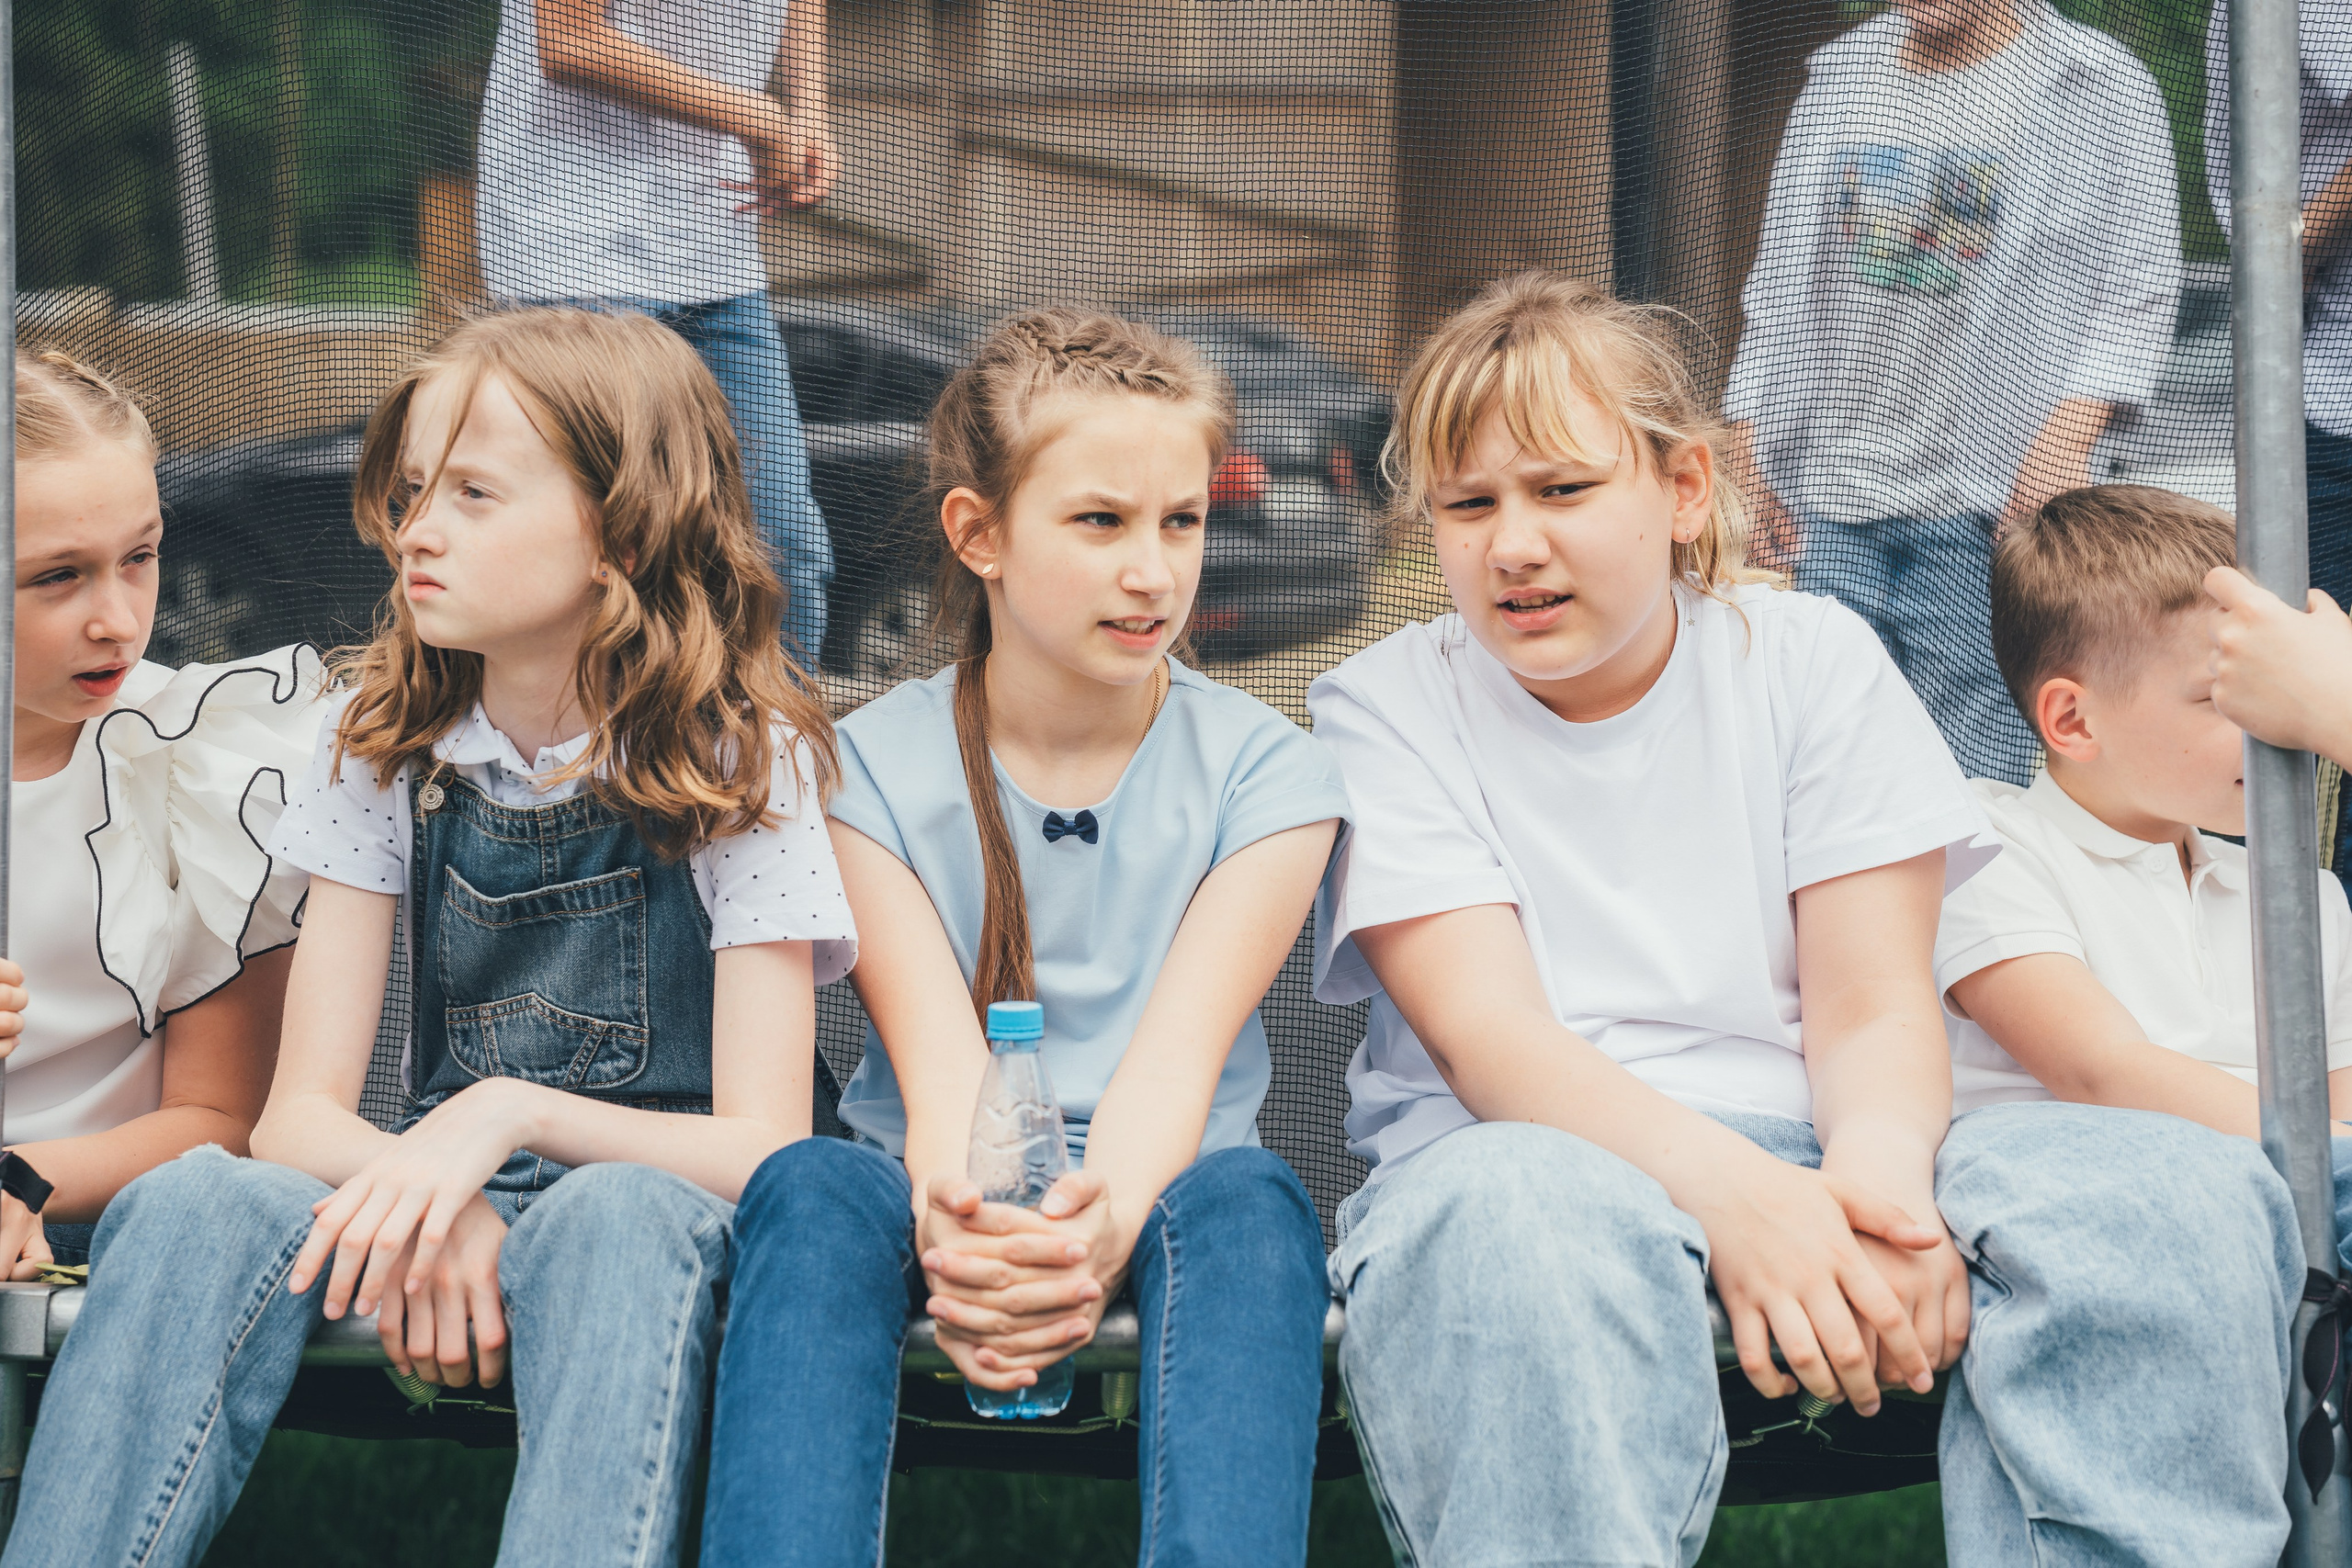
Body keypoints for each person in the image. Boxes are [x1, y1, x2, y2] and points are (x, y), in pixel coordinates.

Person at [1312, 272, 2304, 1565]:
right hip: (1525, 1148)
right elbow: (1489, 1042)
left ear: (1681, 490)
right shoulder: (1384, 705)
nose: (1514, 541)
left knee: (2176, 1189)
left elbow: (1875, 1003)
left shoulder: (1811, 657)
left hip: (1841, 1142)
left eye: (1562, 489)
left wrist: (1876, 1197)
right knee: (1511, 1221)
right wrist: (1745, 1202)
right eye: (1469, 504)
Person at [0, 308, 855, 1568]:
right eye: (410, 491)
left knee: (613, 1217)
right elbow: (294, 1120)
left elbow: (766, 1145)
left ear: (619, 535)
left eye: (471, 492)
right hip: (449, 1179)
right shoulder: (386, 747)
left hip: (662, 1206)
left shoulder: (740, 764)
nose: (417, 530)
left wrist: (502, 1116)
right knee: (198, 1197)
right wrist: (430, 1203)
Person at [701, 310, 1345, 1568]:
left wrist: (1079, 1247)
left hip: (1176, 1197)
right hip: (937, 1189)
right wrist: (971, 1238)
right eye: (1101, 521)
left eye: (1184, 520)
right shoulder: (863, 767)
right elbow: (943, 1074)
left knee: (1259, 1203)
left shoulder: (1273, 774)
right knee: (810, 1185)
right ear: (978, 533)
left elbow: (1178, 1064)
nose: (1154, 571)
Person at [1723, 0, 2180, 784]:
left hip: (1987, 515)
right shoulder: (1842, 75)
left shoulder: (2099, 86)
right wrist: (1744, 433)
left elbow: (2138, 283)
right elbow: (1779, 278)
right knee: (1821, 773)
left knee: (1975, 783)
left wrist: (2068, 436)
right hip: (1821, 508)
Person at [0, 351, 320, 1277]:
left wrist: (19, 1179)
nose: (118, 619)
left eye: (139, 557)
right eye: (59, 577)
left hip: (99, 1217)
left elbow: (224, 1119)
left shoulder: (198, 757)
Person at [1939, 486, 2352, 1132]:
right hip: (2087, 1169)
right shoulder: (1986, 848)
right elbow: (2103, 1070)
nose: (2278, 722)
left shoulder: (2310, 894)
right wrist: (2316, 1151)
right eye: (2227, 696)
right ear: (2074, 721)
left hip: (2293, 1189)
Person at [476, 0, 836, 662]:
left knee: (782, 550)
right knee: (606, 563)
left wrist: (808, 107)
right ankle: (582, 761)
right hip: (575, 251)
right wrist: (754, 115)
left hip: (717, 254)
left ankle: (776, 762)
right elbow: (570, 42)